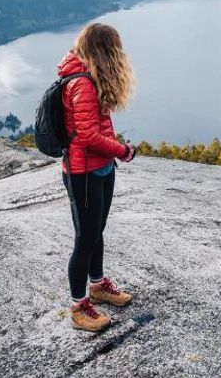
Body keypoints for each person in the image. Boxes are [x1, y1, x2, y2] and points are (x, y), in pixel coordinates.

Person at [58, 23, 137, 332]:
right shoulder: (82, 83)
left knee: (97, 231)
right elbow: (88, 135)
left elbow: (98, 126)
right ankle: (79, 307)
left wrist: (113, 153)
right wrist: (123, 150)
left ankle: (98, 285)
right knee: (84, 238)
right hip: (84, 171)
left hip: (100, 167)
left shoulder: (91, 76)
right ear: (105, 50)